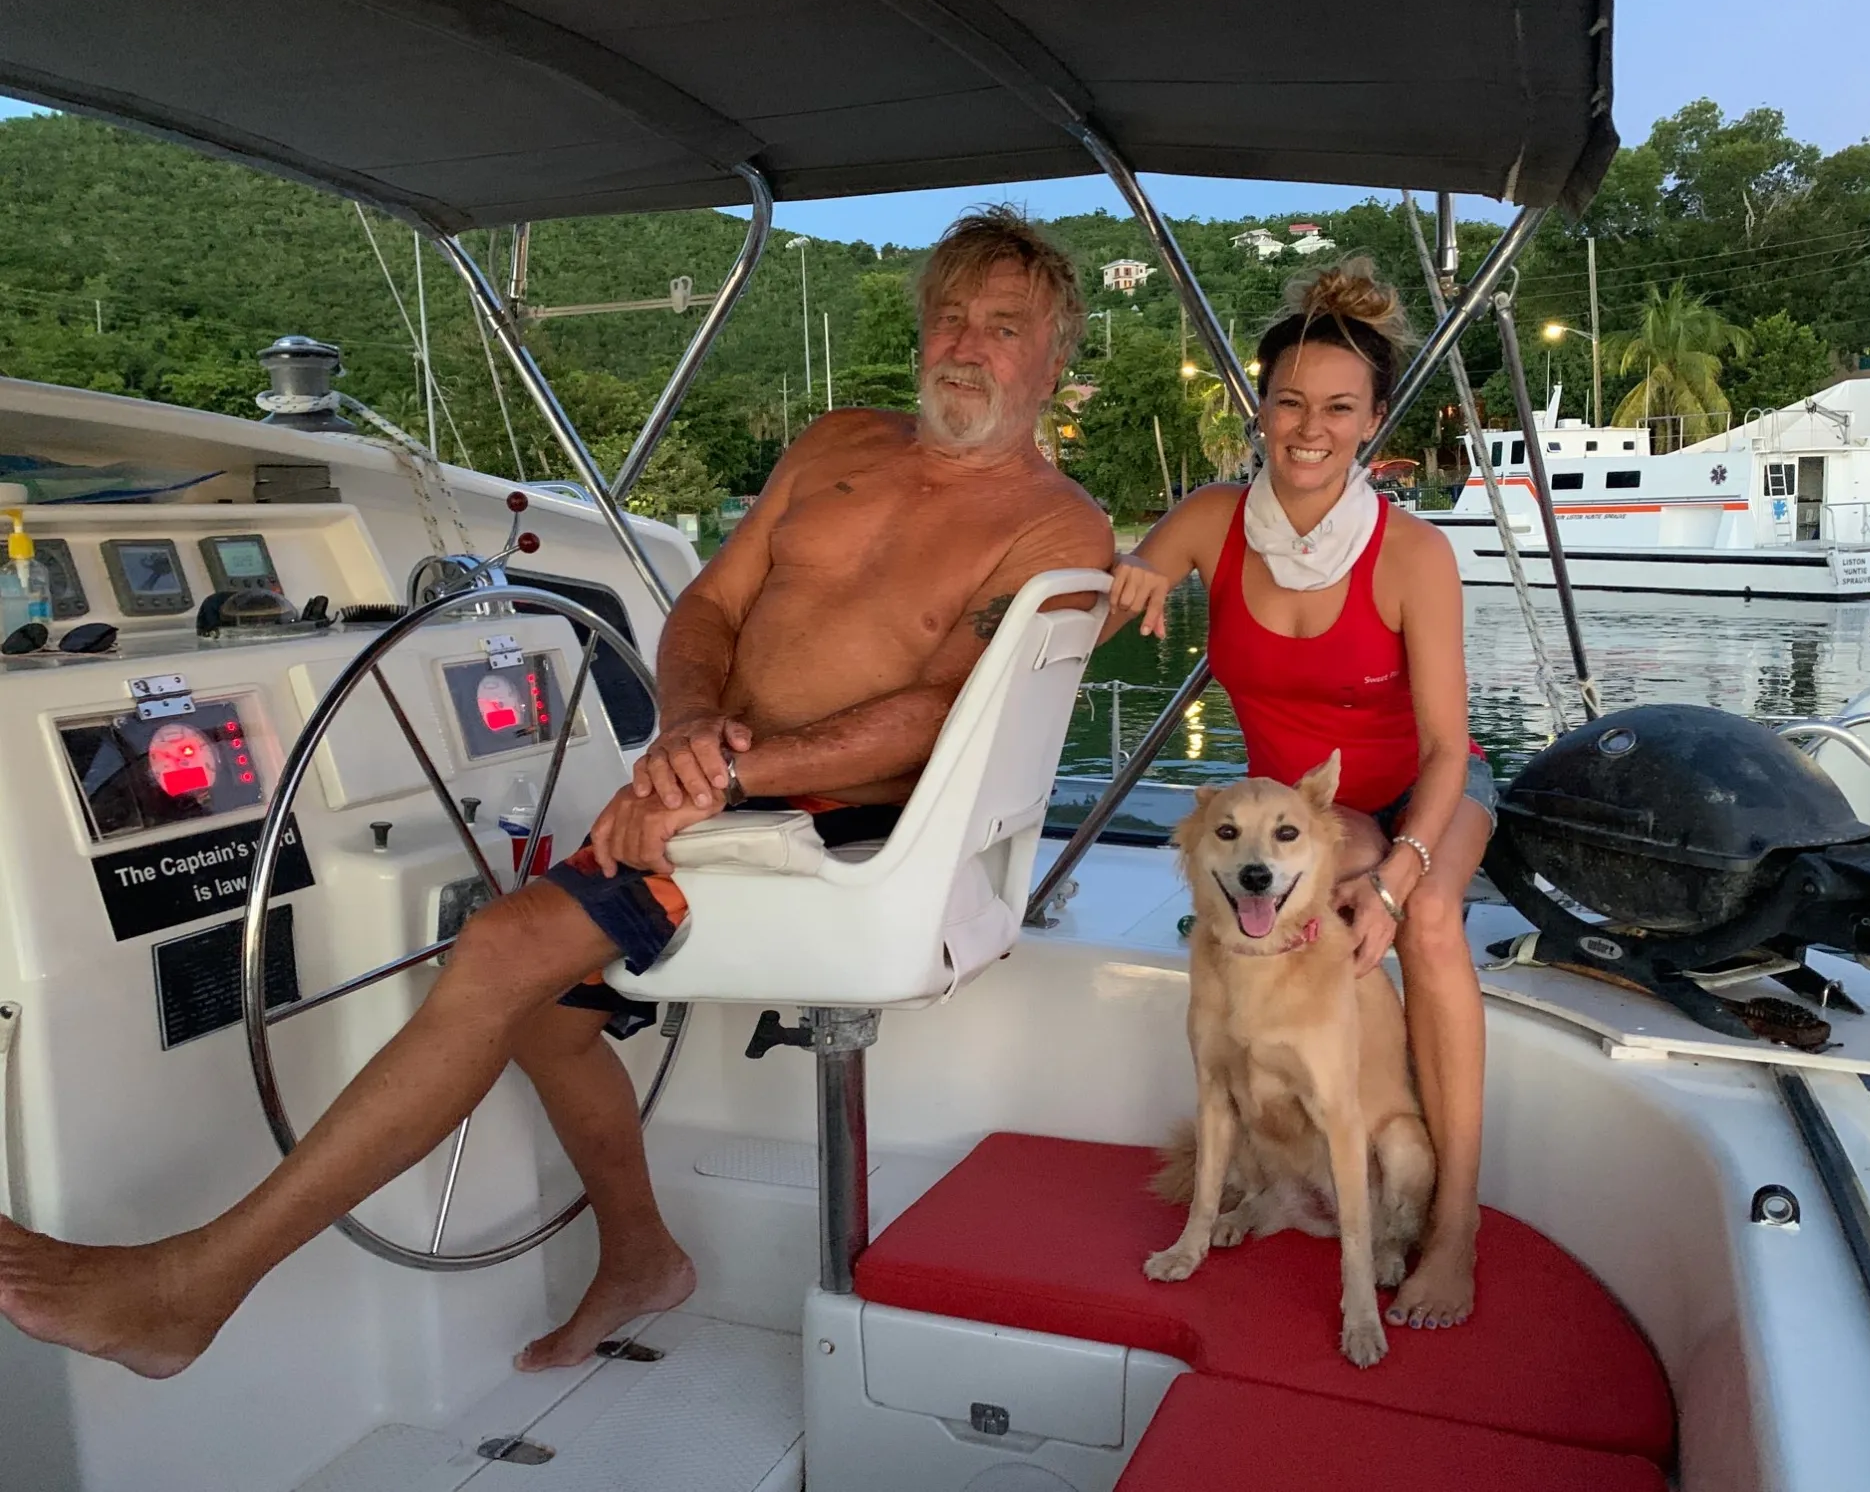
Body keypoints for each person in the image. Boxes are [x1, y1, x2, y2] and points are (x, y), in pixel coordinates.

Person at [0, 207, 1113, 1380]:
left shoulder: (1056, 523)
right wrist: (685, 734)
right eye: (950, 317)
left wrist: (721, 775)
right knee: (536, 1007)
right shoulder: (837, 442)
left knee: (499, 951)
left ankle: (187, 1291)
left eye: (1004, 327)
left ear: (1053, 361)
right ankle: (641, 1256)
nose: (966, 346)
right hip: (719, 785)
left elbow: (942, 713)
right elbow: (711, 608)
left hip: (840, 828)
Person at [1107, 257, 1493, 1330]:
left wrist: (1403, 869)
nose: (1309, 428)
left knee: (1429, 922)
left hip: (1430, 789)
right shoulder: (1210, 520)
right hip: (1315, 817)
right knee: (1300, 886)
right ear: (1261, 411)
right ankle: (1286, 1132)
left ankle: (1453, 1223)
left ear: (1371, 422)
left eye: (1338, 407)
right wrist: (1124, 576)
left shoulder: (1413, 554)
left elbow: (1448, 748)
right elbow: (1098, 608)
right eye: (1288, 402)